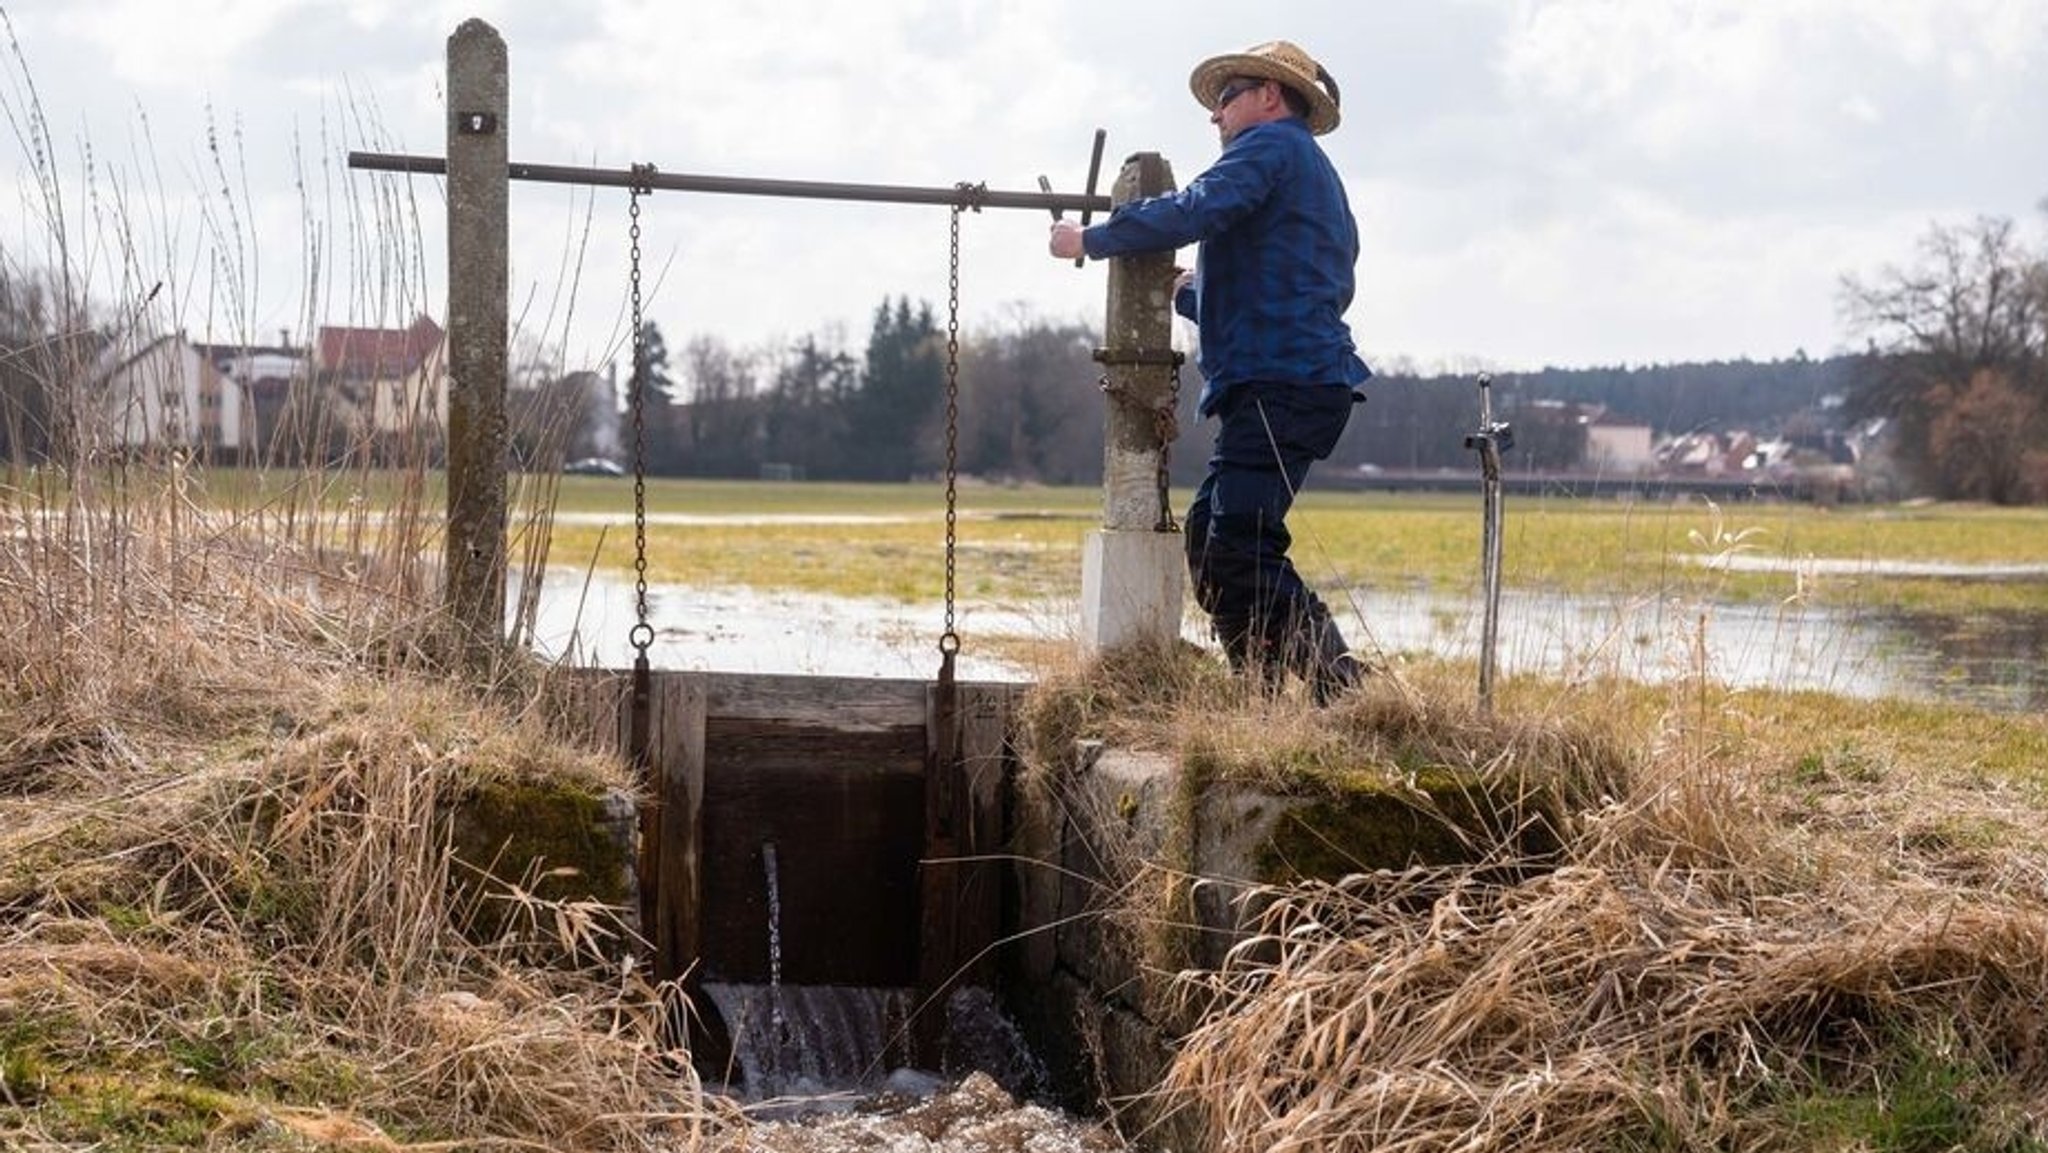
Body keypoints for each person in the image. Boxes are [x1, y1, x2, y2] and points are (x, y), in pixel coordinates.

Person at [1047, 39, 1373, 703]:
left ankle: (1347, 694)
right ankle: (1255, 690)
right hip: (1290, 383)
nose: (1215, 115)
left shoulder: (1271, 148)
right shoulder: (1305, 171)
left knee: (1242, 544)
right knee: (1211, 536)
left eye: (1227, 97)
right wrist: (1190, 293)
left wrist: (1093, 237)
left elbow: (1196, 207)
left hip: (1285, 385)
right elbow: (1288, 285)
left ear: (1270, 97)